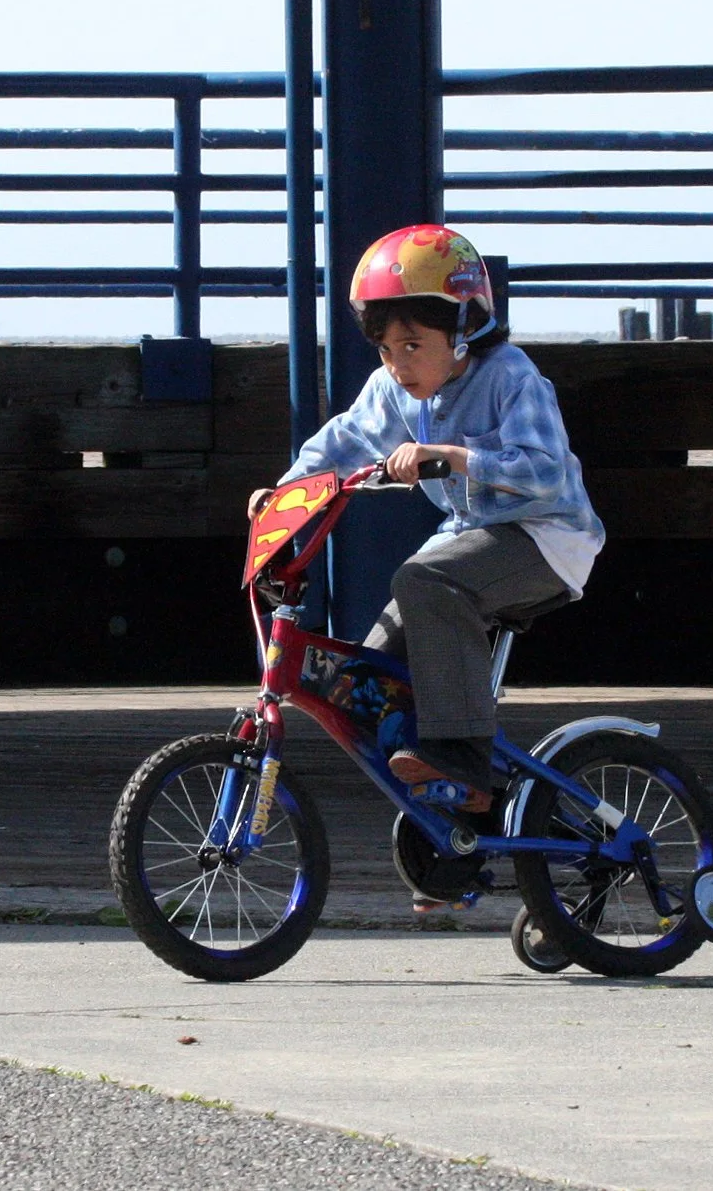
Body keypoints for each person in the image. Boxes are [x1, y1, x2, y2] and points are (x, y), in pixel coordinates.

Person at [249, 224, 604, 815]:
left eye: (412, 345)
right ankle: (445, 834)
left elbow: (546, 473)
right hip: (469, 538)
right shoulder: (393, 391)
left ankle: (462, 758)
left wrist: (456, 456)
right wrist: (282, 494)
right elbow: (343, 441)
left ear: (464, 329)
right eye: (386, 350)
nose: (397, 364)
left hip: (549, 537)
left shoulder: (509, 375)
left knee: (426, 582)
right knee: (364, 677)